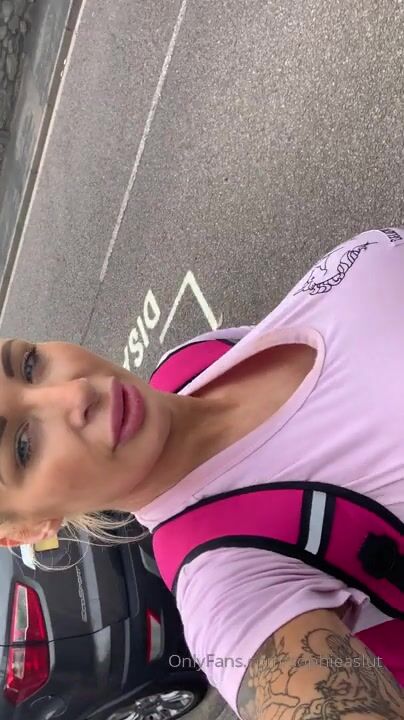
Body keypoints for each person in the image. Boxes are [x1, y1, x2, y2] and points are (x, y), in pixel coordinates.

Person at [0, 226, 403, 719]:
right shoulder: (228, 588)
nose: (76, 392)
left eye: (29, 364)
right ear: (29, 527)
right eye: (23, 447)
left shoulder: (187, 364)